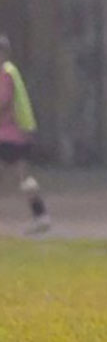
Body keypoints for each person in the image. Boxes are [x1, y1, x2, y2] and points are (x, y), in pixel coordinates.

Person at [0, 34, 51, 234]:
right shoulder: (11, 71)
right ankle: (41, 215)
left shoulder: (4, 73)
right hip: (19, 133)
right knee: (24, 177)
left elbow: (3, 101)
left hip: (7, 135)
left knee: (22, 177)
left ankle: (41, 216)